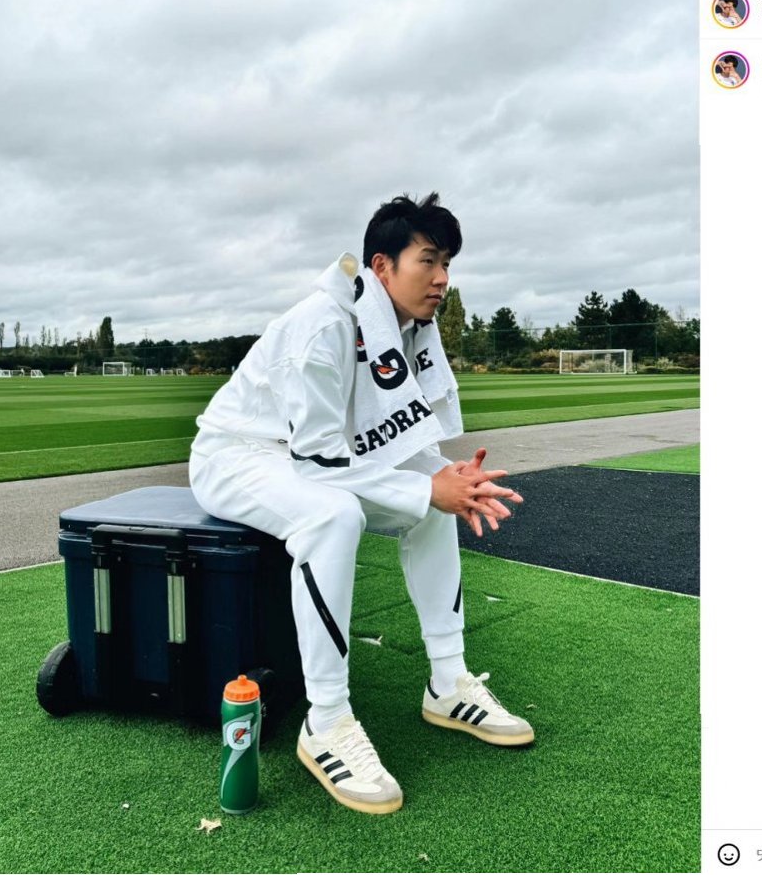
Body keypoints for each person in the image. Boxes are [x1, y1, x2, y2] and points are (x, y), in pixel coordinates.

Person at [189, 192, 532, 816]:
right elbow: (317, 460)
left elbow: (390, 442)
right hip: (238, 455)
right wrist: (426, 485)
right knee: (334, 515)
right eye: (428, 261)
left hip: (308, 455)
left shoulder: (408, 328)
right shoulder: (325, 324)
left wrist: (444, 478)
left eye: (447, 264)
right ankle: (326, 721)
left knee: (436, 501)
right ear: (382, 266)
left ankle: (448, 682)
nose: (443, 279)